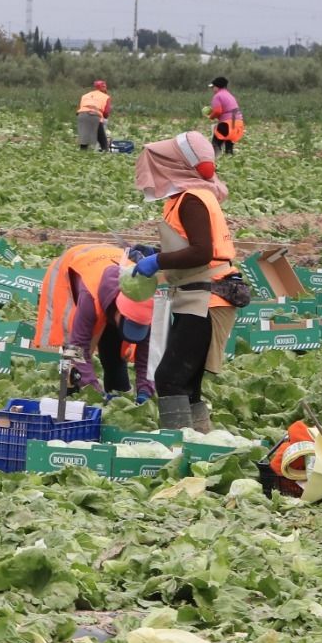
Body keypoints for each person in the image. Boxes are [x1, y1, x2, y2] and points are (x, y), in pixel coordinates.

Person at [130, 131, 236, 435]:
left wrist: (158, 261)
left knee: (170, 378)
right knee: (186, 382)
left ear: (177, 165)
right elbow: (193, 247)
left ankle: (179, 446)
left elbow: (202, 252)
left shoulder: (192, 199)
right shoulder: (190, 197)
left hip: (206, 298)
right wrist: (155, 253)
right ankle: (199, 443)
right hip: (199, 295)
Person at [34, 243, 154, 401]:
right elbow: (77, 347)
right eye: (130, 324)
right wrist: (94, 391)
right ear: (119, 309)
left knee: (113, 352)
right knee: (71, 356)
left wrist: (145, 391)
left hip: (108, 271)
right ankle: (69, 396)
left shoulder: (146, 307)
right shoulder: (89, 298)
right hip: (70, 273)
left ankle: (117, 392)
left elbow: (146, 357)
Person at [207, 76, 244, 156]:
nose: (212, 89)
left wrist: (211, 116)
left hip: (227, 124)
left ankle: (213, 160)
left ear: (217, 87)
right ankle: (229, 160)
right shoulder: (230, 95)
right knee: (229, 147)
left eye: (213, 87)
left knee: (215, 145)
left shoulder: (217, 96)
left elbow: (217, 111)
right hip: (238, 123)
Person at [76, 80, 112, 152]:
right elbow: (106, 113)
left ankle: (82, 155)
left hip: (81, 116)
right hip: (94, 116)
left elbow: (81, 107)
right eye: (104, 87)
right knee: (103, 141)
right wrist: (104, 117)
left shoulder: (85, 95)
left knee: (84, 141)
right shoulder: (106, 97)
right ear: (103, 87)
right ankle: (105, 154)